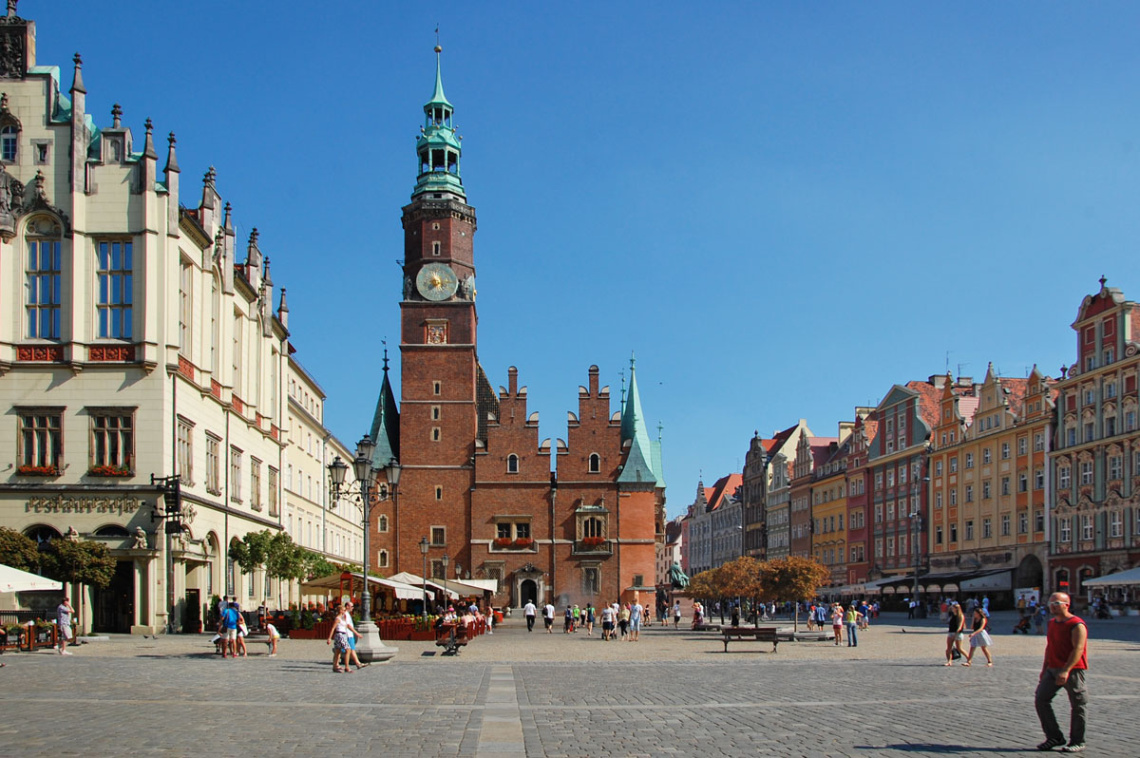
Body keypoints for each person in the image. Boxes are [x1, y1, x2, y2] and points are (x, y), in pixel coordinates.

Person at [1034, 592, 1088, 753]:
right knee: (1041, 700)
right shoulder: (1051, 623)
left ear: (1066, 604)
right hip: (1052, 669)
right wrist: (1044, 669)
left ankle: (1078, 740)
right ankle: (1054, 736)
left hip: (1073, 670)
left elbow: (1078, 649)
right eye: (1051, 603)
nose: (1052, 606)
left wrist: (1066, 670)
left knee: (1078, 705)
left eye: (1056, 603)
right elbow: (1049, 647)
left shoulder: (1077, 624)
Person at [327, 601, 356, 673]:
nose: (345, 611)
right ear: (340, 611)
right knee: (348, 649)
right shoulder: (338, 618)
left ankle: (335, 666)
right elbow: (333, 628)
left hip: (343, 634)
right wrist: (329, 638)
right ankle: (347, 667)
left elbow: (347, 626)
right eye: (343, 610)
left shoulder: (343, 618)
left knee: (338, 651)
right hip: (340, 635)